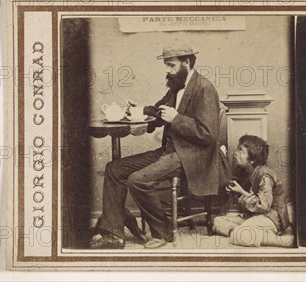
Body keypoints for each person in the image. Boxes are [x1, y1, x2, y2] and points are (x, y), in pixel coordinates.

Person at [90, 44, 222, 249]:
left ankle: (163, 232)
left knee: (137, 180)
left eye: (171, 65)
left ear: (187, 62)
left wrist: (177, 119)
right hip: (170, 152)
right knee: (114, 169)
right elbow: (159, 111)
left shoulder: (204, 88)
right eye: (166, 65)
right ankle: (113, 234)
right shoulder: (177, 86)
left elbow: (208, 135)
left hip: (192, 156)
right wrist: (139, 109)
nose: (167, 70)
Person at [212, 135, 293, 247]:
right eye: (237, 149)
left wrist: (241, 192)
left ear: (253, 159)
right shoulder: (246, 172)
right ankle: (254, 233)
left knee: (238, 235)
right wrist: (234, 191)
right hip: (255, 216)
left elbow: (263, 206)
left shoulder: (265, 175)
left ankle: (284, 241)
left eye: (241, 150)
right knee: (218, 221)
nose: (236, 153)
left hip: (272, 218)